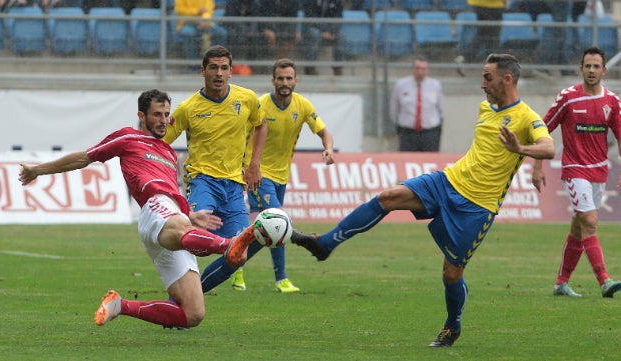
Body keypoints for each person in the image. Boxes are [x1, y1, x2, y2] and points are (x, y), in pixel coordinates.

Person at [292, 53, 555, 347]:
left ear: (507, 79)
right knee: (388, 197)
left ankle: (452, 326)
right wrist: (532, 161)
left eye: (487, 77)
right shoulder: (486, 108)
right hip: (449, 181)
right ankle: (325, 244)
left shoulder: (527, 117)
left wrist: (523, 150)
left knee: (451, 273)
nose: (482, 84)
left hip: (477, 207)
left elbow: (548, 148)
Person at [18, 89, 257, 330]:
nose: (164, 120)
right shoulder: (128, 137)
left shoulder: (170, 153)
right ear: (141, 116)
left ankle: (119, 305)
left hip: (172, 217)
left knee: (193, 314)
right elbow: (84, 157)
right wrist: (37, 170)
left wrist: (189, 215)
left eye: (166, 114)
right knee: (201, 236)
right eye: (157, 114)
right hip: (154, 207)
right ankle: (229, 245)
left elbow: (173, 194)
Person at [163, 45, 269, 293]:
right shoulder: (188, 109)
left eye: (224, 68)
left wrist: (254, 164)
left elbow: (261, 125)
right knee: (193, 236)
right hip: (202, 181)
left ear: (232, 72)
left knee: (238, 254)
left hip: (234, 186)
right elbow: (161, 142)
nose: (219, 73)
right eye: (213, 68)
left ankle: (190, 296)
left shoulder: (247, 99)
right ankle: (182, 292)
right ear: (203, 71)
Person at [233, 58, 336, 293]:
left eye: (289, 78)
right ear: (273, 81)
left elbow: (324, 131)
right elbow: (240, 135)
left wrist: (328, 148)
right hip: (258, 174)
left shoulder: (303, 106)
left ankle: (236, 258)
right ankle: (281, 278)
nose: (285, 82)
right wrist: (245, 167)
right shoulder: (260, 106)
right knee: (278, 220)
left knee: (271, 228)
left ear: (296, 80)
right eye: (280, 78)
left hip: (281, 176)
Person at [533, 46, 621, 299]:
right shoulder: (568, 97)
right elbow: (542, 129)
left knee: (578, 228)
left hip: (599, 172)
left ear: (604, 70)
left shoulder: (612, 101)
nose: (592, 71)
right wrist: (537, 166)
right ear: (581, 69)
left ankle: (561, 283)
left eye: (596, 66)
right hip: (574, 170)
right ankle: (604, 281)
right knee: (591, 224)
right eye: (587, 66)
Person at [389, 56, 444, 152]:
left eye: (423, 69)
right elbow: (394, 109)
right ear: (413, 69)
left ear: (427, 70)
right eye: (417, 68)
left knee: (430, 162)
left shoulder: (435, 86)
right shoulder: (401, 85)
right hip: (408, 133)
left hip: (430, 132)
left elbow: (441, 109)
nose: (420, 72)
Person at [455, 0, 506, 72]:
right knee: (492, 36)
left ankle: (466, 58)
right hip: (492, 5)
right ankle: (493, 65)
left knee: (483, 34)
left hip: (479, 4)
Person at [301, 0, 345, 76]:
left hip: (329, 29)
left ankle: (338, 67)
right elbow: (310, 16)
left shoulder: (337, 1)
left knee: (341, 36)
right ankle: (310, 67)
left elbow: (338, 17)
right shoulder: (310, 1)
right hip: (312, 27)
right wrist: (322, 31)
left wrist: (333, 31)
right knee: (314, 34)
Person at [224, 0, 259, 75]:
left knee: (256, 39)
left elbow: (256, 19)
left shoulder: (255, 3)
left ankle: (251, 66)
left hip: (249, 31)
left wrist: (251, 30)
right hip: (233, 29)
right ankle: (232, 66)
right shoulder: (232, 3)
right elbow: (232, 20)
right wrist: (246, 31)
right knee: (233, 37)